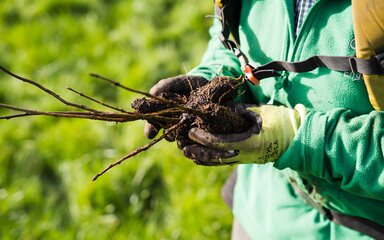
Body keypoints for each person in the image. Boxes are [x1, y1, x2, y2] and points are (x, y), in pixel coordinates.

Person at [145, 0, 384, 239]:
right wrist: (215, 79)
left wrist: (297, 138)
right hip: (262, 207)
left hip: (362, 227)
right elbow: (232, 37)